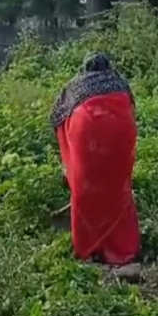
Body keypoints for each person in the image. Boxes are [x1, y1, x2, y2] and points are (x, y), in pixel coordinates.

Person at [50, 53, 140, 267]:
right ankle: (121, 248)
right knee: (117, 190)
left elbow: (56, 118)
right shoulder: (120, 83)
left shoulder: (74, 86)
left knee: (85, 191)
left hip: (85, 136)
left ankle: (87, 247)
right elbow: (132, 113)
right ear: (109, 67)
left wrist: (68, 161)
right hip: (118, 134)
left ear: (85, 68)